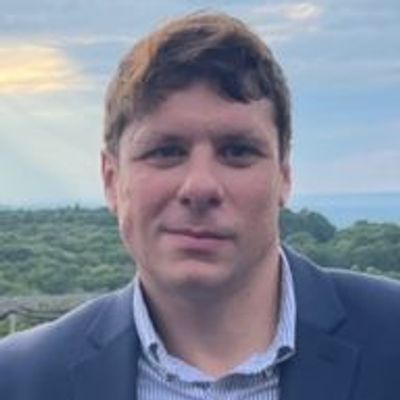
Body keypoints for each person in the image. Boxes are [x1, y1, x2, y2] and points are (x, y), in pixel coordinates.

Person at [1, 11, 400, 400]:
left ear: (284, 175)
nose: (200, 186)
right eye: (166, 151)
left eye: (237, 151)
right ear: (111, 180)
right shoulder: (20, 380)